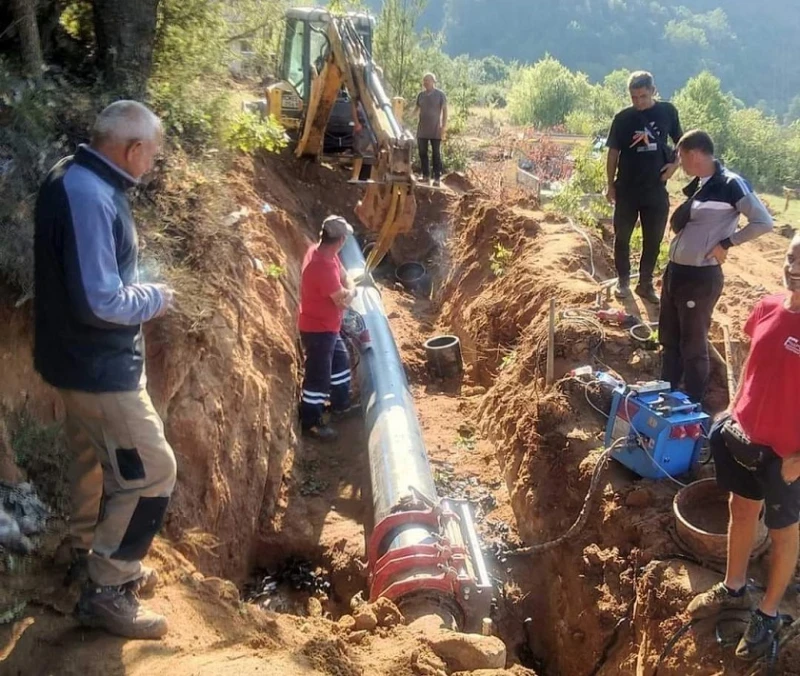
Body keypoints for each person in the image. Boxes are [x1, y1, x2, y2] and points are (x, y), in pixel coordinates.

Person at [34, 101, 176, 639]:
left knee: (93, 462)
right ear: (132, 149)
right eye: (153, 154)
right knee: (153, 472)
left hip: (69, 359)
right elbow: (102, 301)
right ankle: (109, 588)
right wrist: (155, 297)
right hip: (99, 368)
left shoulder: (70, 176)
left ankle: (84, 555)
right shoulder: (93, 196)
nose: (154, 164)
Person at [687, 233, 800, 660]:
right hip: (745, 438)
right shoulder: (769, 307)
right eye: (792, 258)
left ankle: (768, 612)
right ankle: (734, 587)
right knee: (740, 508)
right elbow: (754, 367)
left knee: (786, 533)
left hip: (786, 458)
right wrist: (733, 411)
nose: (796, 268)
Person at [659, 129, 772, 404]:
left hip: (700, 278)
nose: (680, 164)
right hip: (676, 272)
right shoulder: (700, 184)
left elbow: (763, 222)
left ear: (695, 154)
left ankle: (692, 402)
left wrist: (727, 243)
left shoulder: (730, 184)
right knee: (669, 338)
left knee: (693, 343)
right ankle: (665, 392)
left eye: (681, 157)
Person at [605, 71, 683, 303]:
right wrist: (610, 184)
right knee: (622, 237)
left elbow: (681, 141)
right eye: (634, 97)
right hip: (627, 188)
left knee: (654, 239)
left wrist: (675, 165)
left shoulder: (667, 112)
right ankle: (623, 281)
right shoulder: (622, 119)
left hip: (656, 189)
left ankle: (645, 284)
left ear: (653, 91)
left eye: (643, 96)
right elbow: (612, 153)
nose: (638, 101)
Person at [298, 215, 358, 441]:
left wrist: (348, 286)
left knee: (341, 363)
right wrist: (353, 290)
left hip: (329, 327)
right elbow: (343, 299)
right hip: (317, 330)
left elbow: (343, 276)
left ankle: (340, 405)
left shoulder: (323, 252)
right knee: (318, 377)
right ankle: (311, 422)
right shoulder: (321, 267)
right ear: (341, 240)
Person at [415, 73, 447, 187]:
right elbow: (416, 110)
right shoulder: (421, 95)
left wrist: (443, 126)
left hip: (435, 129)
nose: (425, 82)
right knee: (422, 153)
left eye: (427, 80)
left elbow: (445, 111)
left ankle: (437, 178)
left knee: (436, 154)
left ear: (433, 81)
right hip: (422, 129)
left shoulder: (440, 95)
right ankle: (425, 176)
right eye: (424, 80)